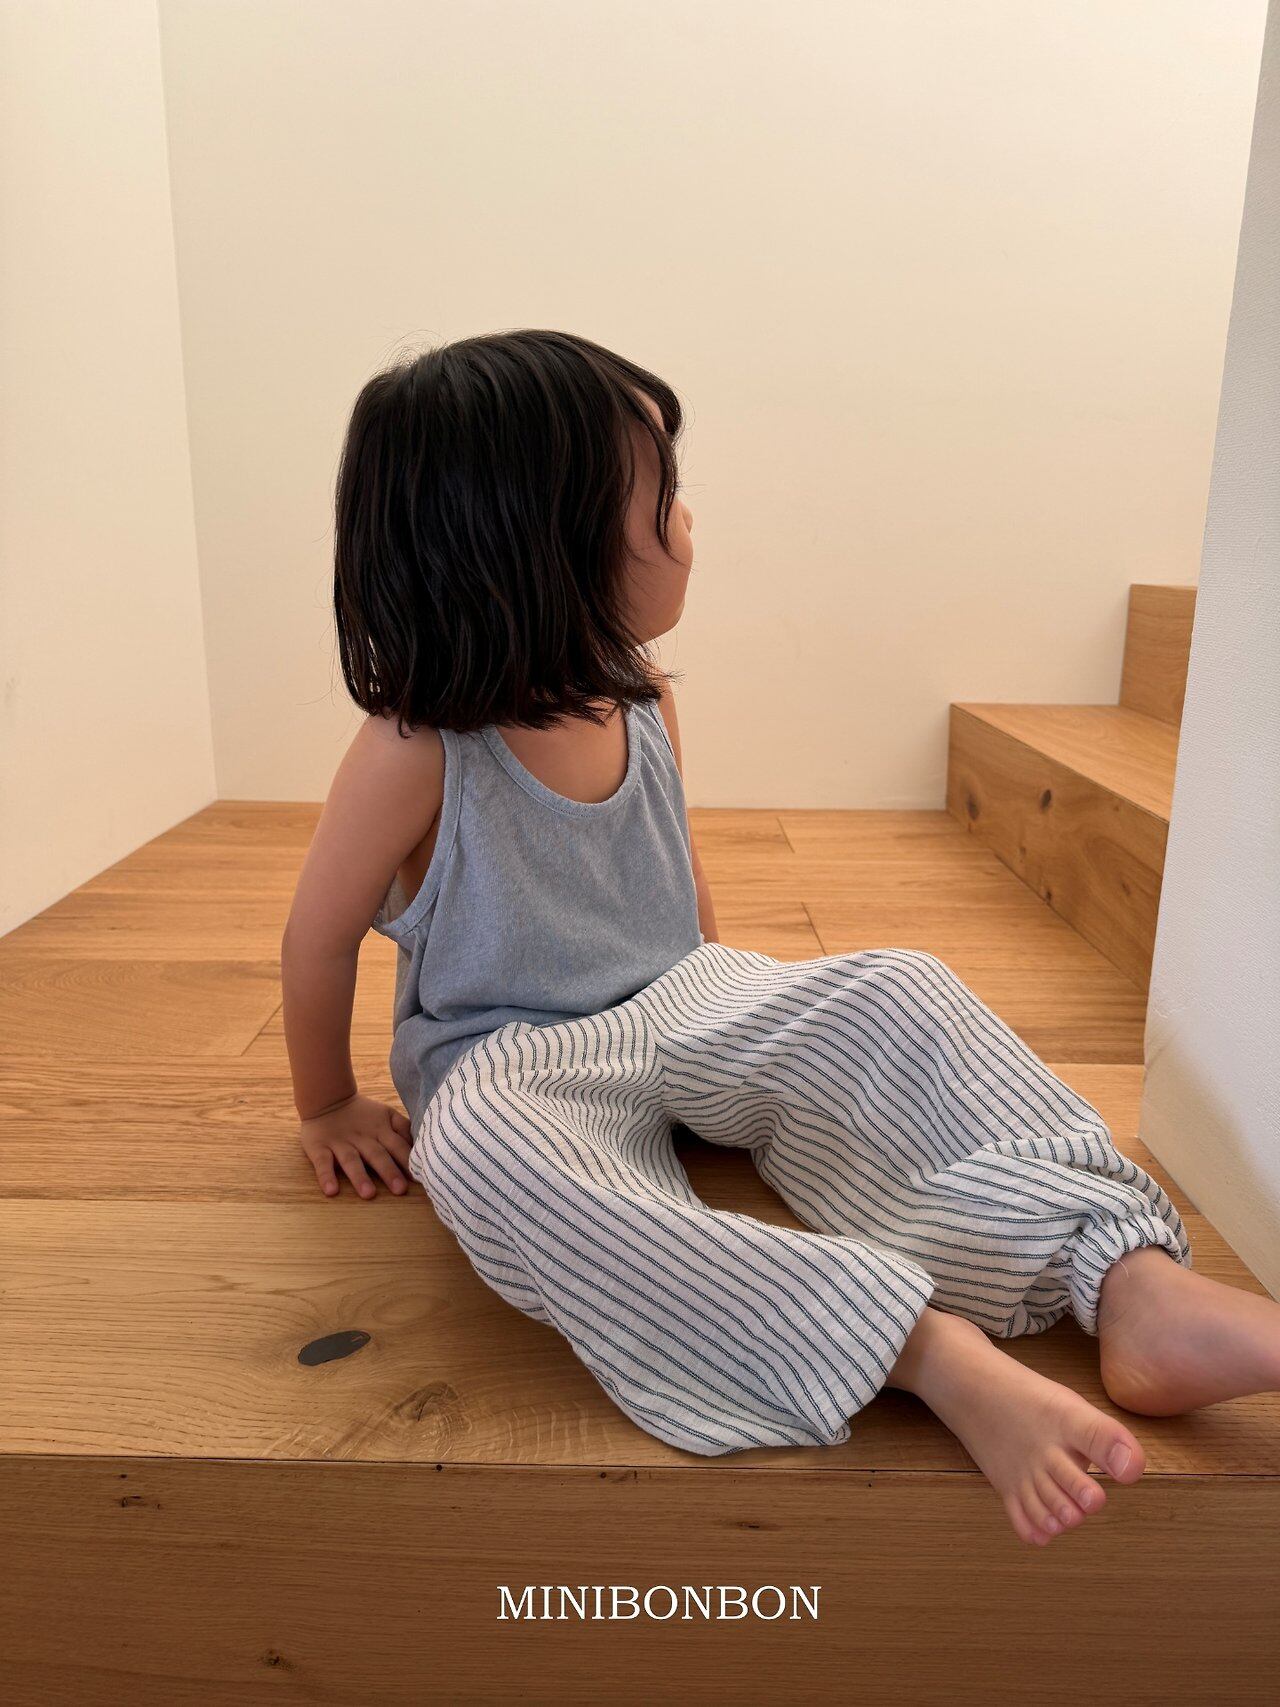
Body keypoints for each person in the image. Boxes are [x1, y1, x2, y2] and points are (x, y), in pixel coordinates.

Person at [281, 329, 1280, 1548]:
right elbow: (317, 939)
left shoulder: (641, 696)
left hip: (680, 996)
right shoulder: (414, 749)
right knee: (480, 1153)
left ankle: (1129, 1282)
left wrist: (750, 1032)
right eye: (662, 498)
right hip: (513, 1061)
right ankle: (919, 1350)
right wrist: (327, 1104)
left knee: (896, 986)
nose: (689, 522)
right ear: (535, 543)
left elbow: (677, 876)